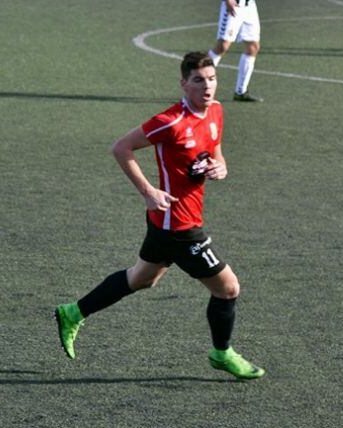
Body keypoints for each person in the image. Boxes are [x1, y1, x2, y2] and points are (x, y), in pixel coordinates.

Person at [54, 51, 265, 380]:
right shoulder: (170, 122)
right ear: (183, 84)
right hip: (179, 226)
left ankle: (73, 312)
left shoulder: (217, 111)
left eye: (211, 79)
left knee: (142, 279)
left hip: (169, 221)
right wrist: (148, 191)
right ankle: (221, 353)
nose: (207, 86)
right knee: (228, 289)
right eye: (198, 80)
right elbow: (121, 148)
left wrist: (219, 166)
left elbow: (216, 150)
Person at [208, 0, 263, 102]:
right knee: (222, 46)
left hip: (249, 6)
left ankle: (241, 92)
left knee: (253, 47)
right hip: (234, 4)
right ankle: (196, 88)